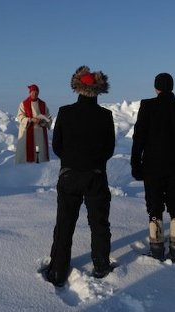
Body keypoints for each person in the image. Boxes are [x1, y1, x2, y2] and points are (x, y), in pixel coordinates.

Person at [45, 66, 115, 287]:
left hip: (69, 175)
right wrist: (94, 163)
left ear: (77, 88)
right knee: (99, 222)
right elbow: (109, 148)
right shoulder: (106, 116)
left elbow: (57, 146)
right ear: (98, 90)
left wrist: (71, 160)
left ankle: (57, 270)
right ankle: (102, 265)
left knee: (64, 222)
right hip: (96, 175)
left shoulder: (65, 112)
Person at [131, 73, 175, 262]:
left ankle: (157, 249)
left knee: (154, 205)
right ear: (172, 87)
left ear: (156, 88)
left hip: (152, 164)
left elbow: (139, 137)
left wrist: (135, 162)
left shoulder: (147, 106)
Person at [15, 84, 52, 164]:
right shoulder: (23, 104)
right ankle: (23, 165)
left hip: (40, 132)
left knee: (39, 150)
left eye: (36, 92)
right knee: (26, 152)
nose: (34, 94)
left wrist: (43, 121)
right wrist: (31, 119)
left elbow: (48, 116)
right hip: (28, 131)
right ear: (30, 92)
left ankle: (40, 162)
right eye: (33, 92)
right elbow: (20, 116)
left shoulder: (43, 104)